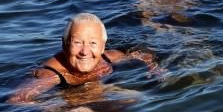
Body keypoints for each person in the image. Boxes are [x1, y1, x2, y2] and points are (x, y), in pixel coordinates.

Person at [8, 13, 157, 104]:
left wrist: (155, 69)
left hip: (97, 92)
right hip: (67, 104)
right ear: (65, 44)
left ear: (102, 46)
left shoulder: (108, 57)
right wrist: (59, 109)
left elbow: (141, 53)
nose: (85, 52)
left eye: (93, 43)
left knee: (136, 98)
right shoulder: (51, 74)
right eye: (77, 43)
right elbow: (17, 100)